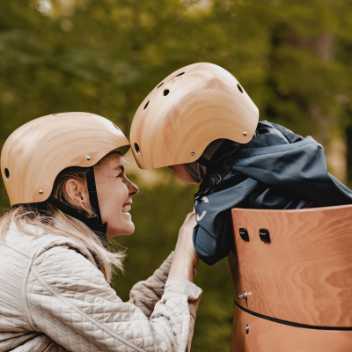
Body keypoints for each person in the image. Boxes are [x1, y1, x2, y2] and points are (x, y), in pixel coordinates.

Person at [0, 112, 201, 352]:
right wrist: (184, 261)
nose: (133, 187)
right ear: (77, 192)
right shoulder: (49, 263)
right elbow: (156, 349)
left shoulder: (28, 242)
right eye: (119, 174)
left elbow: (116, 331)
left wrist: (190, 245)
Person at [129, 62, 352, 265]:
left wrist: (194, 217)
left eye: (172, 164)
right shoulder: (282, 144)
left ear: (200, 151)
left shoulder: (229, 189)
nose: (172, 171)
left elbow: (207, 248)